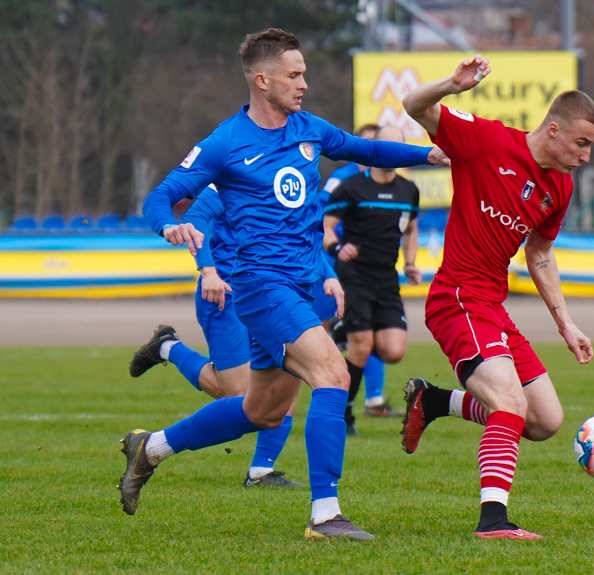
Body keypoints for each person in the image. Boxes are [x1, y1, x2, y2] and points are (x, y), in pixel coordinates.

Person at [117, 28, 449, 541]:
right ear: (262, 79)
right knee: (334, 374)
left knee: (262, 409)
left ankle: (151, 447)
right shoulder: (225, 142)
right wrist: (169, 226)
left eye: (305, 74)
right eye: (295, 75)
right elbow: (160, 197)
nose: (304, 84)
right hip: (259, 287)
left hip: (301, 286)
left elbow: (368, 149)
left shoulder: (309, 129)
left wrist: (428, 156)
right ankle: (325, 514)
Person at [399, 55, 594, 540]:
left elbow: (542, 255)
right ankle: (493, 521)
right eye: (581, 143)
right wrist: (451, 84)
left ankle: (432, 402)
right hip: (456, 297)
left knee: (545, 421)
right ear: (553, 129)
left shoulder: (559, 187)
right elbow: (412, 105)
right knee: (509, 402)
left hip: (491, 307)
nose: (586, 156)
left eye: (591, 146)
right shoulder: (486, 140)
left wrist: (565, 324)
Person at [127, 184, 301, 488]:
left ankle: (261, 471)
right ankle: (168, 347)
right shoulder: (233, 171)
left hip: (270, 292)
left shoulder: (285, 174)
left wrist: (328, 277)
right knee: (237, 395)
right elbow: (197, 219)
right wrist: (208, 270)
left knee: (291, 369)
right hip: (224, 293)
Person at [323, 125, 420, 435]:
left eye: (399, 148)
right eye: (386, 148)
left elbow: (411, 229)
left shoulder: (408, 190)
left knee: (394, 351)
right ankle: (345, 413)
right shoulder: (350, 188)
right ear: (375, 150)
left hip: (387, 279)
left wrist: (411, 262)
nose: (392, 154)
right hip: (354, 277)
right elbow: (324, 229)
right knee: (362, 348)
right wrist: (338, 247)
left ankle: (344, 332)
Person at [314, 123, 398, 424]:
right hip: (331, 269)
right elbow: (321, 224)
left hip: (368, 271)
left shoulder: (384, 179)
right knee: (319, 334)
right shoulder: (341, 179)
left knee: (370, 331)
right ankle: (330, 400)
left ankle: (371, 399)